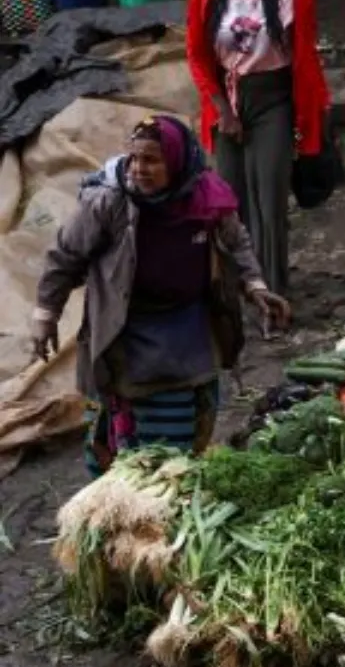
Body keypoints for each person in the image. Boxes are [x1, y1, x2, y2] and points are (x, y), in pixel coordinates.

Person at [30, 115, 289, 472]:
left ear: (177, 161)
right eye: (134, 158)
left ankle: (169, 492)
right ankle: (122, 502)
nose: (138, 169)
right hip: (127, 333)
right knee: (129, 436)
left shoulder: (205, 200)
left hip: (188, 329)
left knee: (181, 432)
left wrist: (255, 286)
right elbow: (65, 257)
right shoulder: (109, 204)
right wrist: (46, 316)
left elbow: (236, 242)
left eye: (152, 160)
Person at [186, 0, 330, 300]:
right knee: (230, 203)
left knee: (270, 202)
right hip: (226, 99)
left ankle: (275, 294)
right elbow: (197, 55)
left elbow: (303, 56)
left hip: (274, 99)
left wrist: (310, 116)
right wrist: (222, 111)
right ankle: (240, 290)